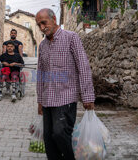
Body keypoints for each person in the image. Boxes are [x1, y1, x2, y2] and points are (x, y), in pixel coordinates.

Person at [35, 8, 95, 160]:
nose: (42, 27)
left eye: (44, 23)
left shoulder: (71, 38)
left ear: (54, 19)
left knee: (60, 133)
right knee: (48, 138)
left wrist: (87, 96)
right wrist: (40, 101)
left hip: (66, 98)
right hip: (48, 99)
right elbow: (41, 74)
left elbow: (83, 66)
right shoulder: (42, 46)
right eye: (38, 25)